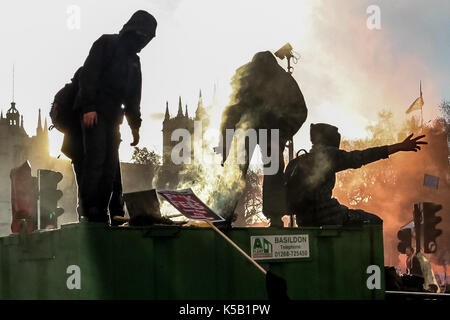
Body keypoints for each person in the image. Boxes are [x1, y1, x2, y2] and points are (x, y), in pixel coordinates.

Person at [70, 10, 157, 223]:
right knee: (96, 161)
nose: (144, 41)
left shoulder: (135, 62)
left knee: (109, 168)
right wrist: (89, 107)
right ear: (133, 30)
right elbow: (89, 75)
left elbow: (133, 98)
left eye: (148, 38)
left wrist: (135, 126)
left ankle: (102, 211)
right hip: (94, 114)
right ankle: (90, 210)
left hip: (112, 119)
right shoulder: (106, 44)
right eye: (142, 35)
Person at [286, 123, 427, 226]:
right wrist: (399, 147)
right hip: (327, 215)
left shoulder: (296, 162)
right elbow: (361, 157)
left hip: (304, 220)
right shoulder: (327, 155)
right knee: (374, 221)